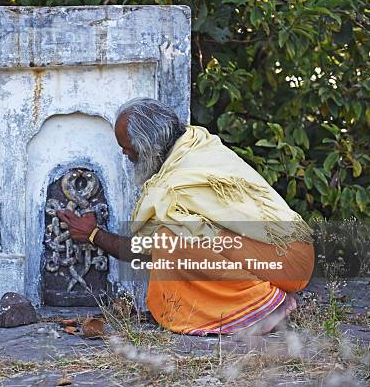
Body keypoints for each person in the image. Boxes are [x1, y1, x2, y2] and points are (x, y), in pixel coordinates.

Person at [56, 97, 314, 336]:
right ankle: (264, 300)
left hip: (286, 259)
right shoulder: (197, 145)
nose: (125, 154)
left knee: (170, 241)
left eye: (127, 147)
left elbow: (147, 250)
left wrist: (93, 234)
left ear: (146, 146)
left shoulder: (174, 186)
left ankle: (264, 306)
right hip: (292, 254)